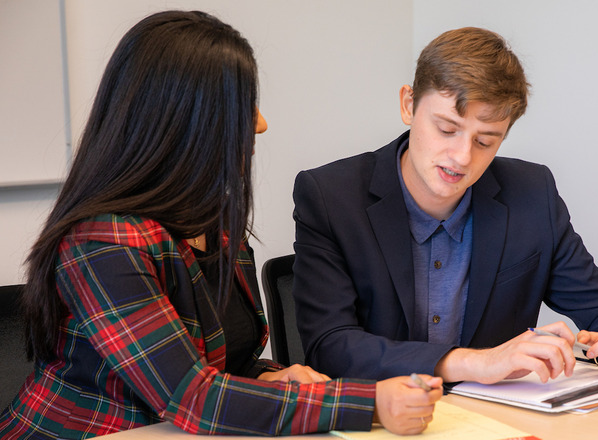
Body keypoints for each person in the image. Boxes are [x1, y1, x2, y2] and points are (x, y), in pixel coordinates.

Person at [0, 10, 441, 439]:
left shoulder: (216, 223)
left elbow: (222, 364)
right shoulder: (103, 244)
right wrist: (369, 404)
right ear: (184, 120)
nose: (261, 124)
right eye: (243, 107)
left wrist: (273, 377)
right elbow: (194, 398)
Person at [291, 27, 598, 386]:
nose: (462, 157)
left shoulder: (532, 193)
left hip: (494, 421)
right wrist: (473, 363)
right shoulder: (330, 197)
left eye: (485, 141)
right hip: (377, 421)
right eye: (447, 129)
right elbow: (331, 346)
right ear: (408, 104)